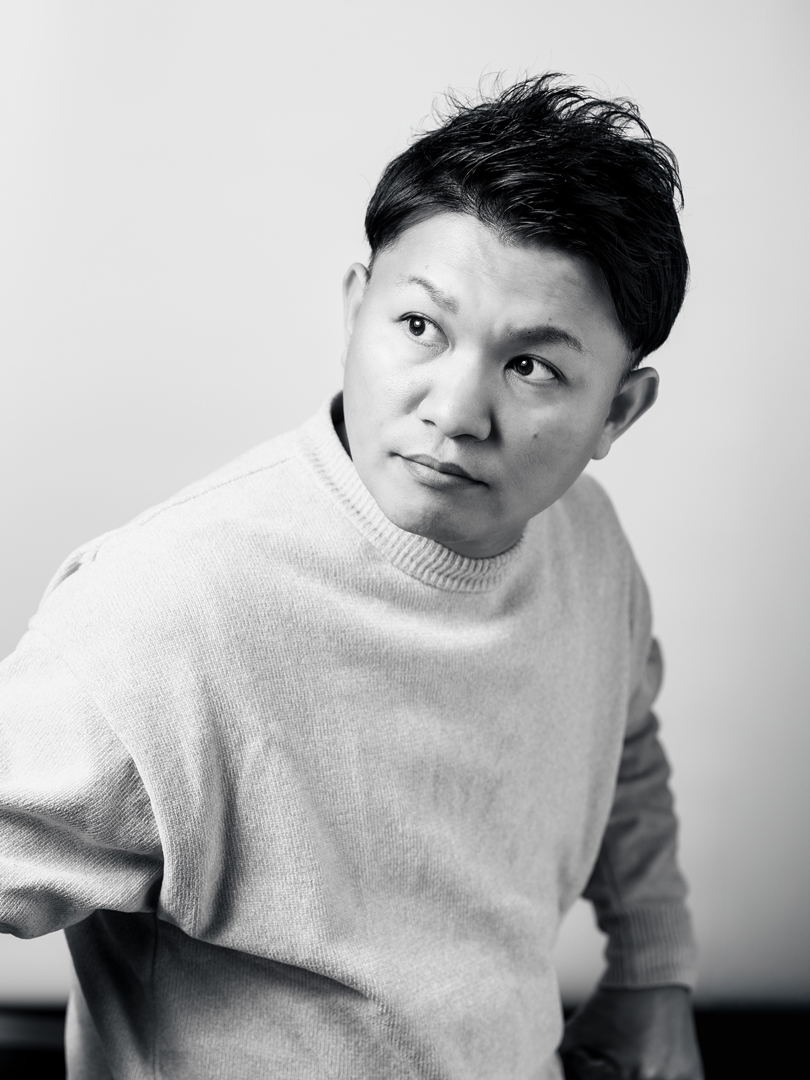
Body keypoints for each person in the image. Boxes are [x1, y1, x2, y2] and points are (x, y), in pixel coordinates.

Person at [0, 74, 703, 1079]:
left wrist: (651, 973)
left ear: (618, 412)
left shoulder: (586, 544)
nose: (455, 411)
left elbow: (621, 740)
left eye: (533, 367)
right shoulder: (171, 608)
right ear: (355, 308)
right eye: (420, 327)